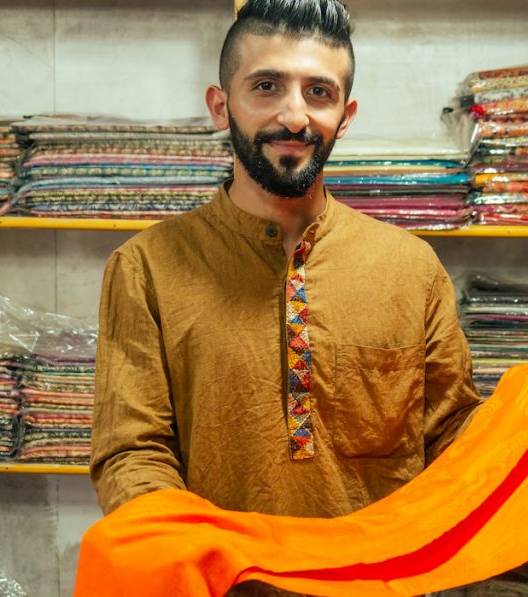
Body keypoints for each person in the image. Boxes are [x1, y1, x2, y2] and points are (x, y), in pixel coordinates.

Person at [90, 0, 480, 529]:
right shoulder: (146, 268)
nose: (294, 116)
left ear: (345, 117)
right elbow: (132, 453)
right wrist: (195, 550)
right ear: (221, 106)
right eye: (266, 86)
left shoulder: (411, 269)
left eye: (319, 93)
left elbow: (455, 438)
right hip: (221, 582)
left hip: (374, 583)